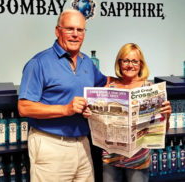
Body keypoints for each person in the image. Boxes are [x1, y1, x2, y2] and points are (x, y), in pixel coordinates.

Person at [18, 9, 109, 182]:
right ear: (57, 30)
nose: (75, 34)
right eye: (70, 29)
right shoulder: (39, 63)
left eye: (80, 30)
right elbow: (24, 107)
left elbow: (105, 83)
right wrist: (65, 109)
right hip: (50, 145)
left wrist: (138, 83)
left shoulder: (87, 62)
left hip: (83, 144)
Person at [102, 43, 172, 182]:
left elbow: (162, 131)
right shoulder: (109, 87)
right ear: (119, 63)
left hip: (138, 159)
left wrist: (167, 117)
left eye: (135, 61)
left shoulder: (151, 89)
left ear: (141, 64)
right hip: (111, 157)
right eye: (126, 60)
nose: (130, 65)